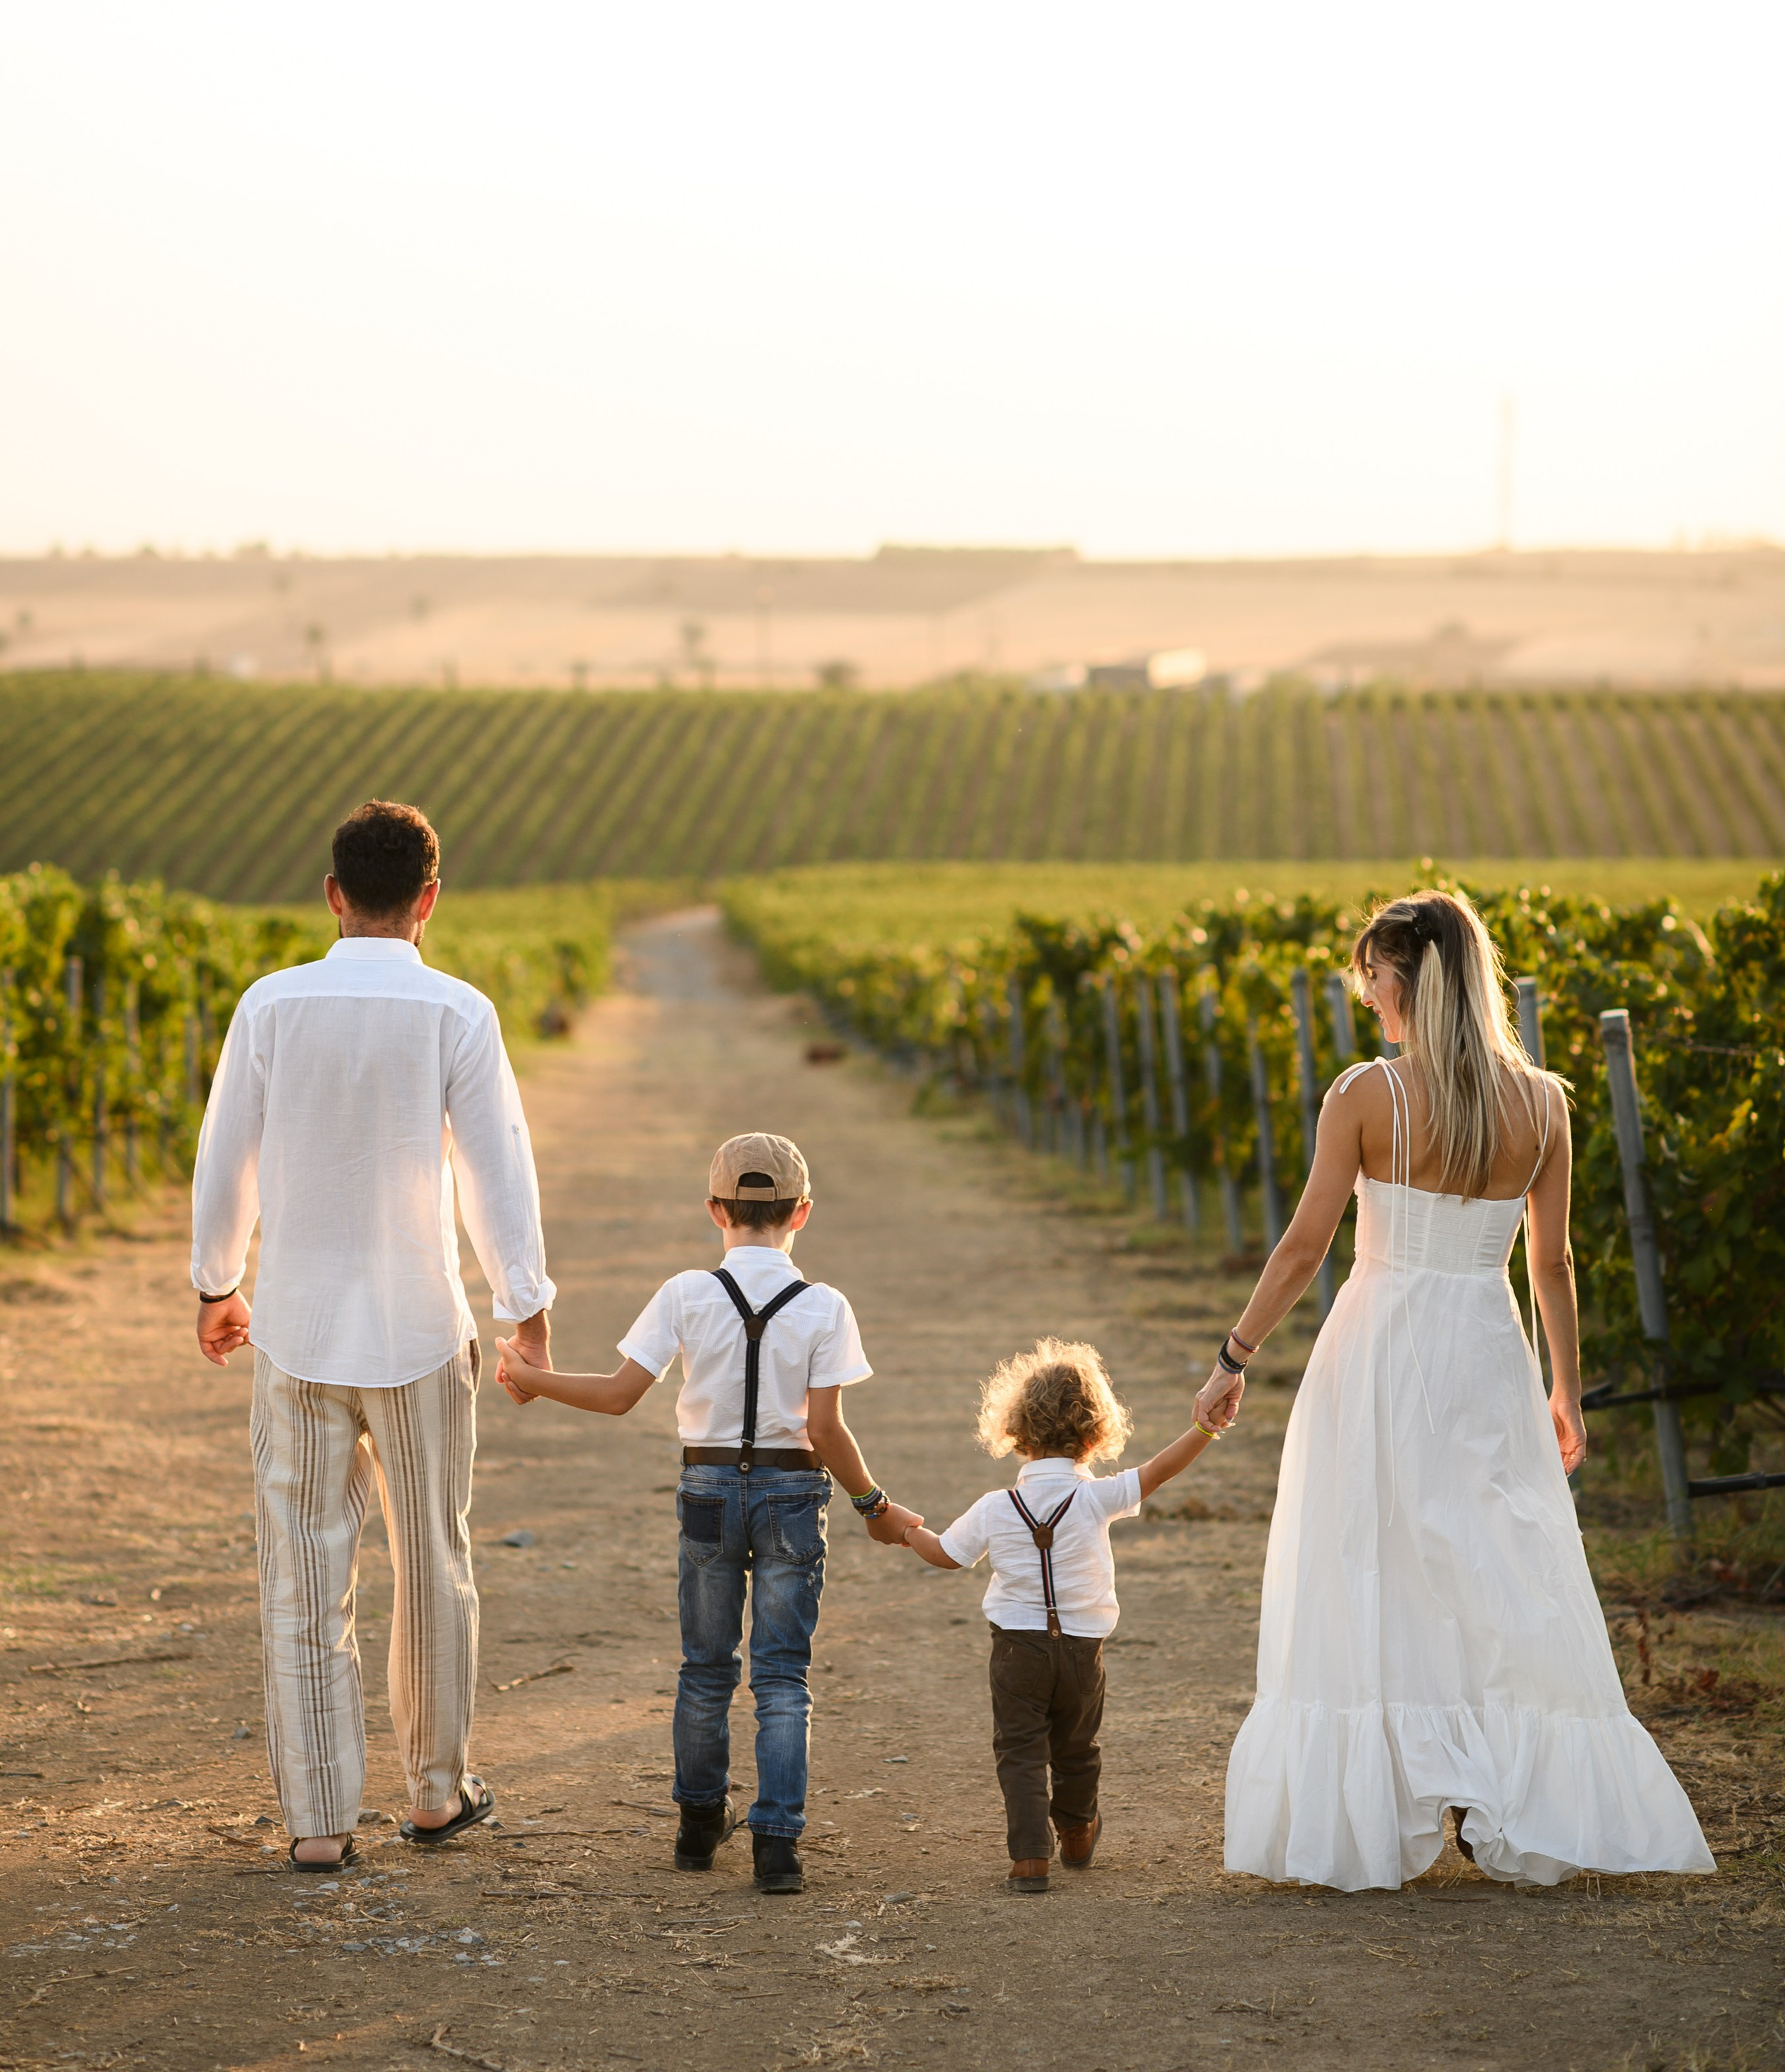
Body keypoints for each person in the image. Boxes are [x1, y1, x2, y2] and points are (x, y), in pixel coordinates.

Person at [1195, 887, 1713, 1893]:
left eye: (1374, 981)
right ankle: (1494, 1790)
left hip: (1383, 1346)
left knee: (1375, 1560)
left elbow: (1308, 1245)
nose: (1370, 1001)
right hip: (1487, 1347)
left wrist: (1234, 1355)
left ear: (1405, 980)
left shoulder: (1366, 1096)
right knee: (1493, 1563)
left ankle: (1398, 1795)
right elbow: (1551, 1266)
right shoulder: (1546, 1103)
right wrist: (1564, 1388)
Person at [191, 800, 556, 1871]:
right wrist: (523, 1302)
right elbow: (498, 1169)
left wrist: (218, 1283)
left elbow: (228, 1156)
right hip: (420, 1329)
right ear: (430, 899)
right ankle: (438, 1795)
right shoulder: (458, 1012)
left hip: (295, 1328)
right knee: (432, 1560)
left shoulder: (269, 1005)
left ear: (333, 895)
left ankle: (317, 1824)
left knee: (302, 1574)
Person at [494, 1131, 913, 1895]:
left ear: (715, 1208)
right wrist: (871, 1503)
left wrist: (531, 1376)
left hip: (708, 1490)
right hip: (792, 1492)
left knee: (705, 1666)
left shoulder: (687, 1292)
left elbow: (620, 1393)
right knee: (782, 1675)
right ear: (803, 1212)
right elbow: (825, 1429)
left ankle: (696, 1824)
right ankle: (777, 1843)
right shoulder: (825, 1306)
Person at [899, 1337, 1219, 1892]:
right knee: (1077, 1746)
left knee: (1019, 1750)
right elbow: (1162, 1470)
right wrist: (1206, 1429)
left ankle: (1029, 1860)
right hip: (1081, 1652)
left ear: (1016, 1431)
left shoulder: (995, 1506)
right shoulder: (1098, 1498)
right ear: (1095, 1434)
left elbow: (946, 1555)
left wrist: (902, 1527)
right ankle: (1076, 1832)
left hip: (1016, 1650)